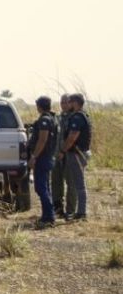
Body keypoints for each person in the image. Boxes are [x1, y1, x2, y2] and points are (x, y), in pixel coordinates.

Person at [58, 93, 92, 221]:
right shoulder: (83, 115)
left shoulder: (77, 117)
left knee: (79, 185)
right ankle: (80, 211)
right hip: (81, 153)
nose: (68, 104)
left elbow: (72, 137)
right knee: (79, 184)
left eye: (70, 102)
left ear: (76, 103)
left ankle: (81, 213)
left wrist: (62, 150)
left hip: (77, 153)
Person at [28, 96, 58, 228]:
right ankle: (48, 215)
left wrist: (34, 156)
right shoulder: (52, 118)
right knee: (45, 187)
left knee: (41, 188)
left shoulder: (45, 120)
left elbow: (42, 140)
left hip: (43, 157)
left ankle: (49, 217)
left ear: (39, 106)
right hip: (47, 157)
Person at [52, 94, 76, 219]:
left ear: (71, 103)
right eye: (62, 102)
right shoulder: (58, 117)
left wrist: (63, 151)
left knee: (71, 183)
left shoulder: (75, 117)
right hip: (56, 154)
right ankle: (57, 207)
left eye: (66, 102)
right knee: (56, 182)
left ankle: (71, 210)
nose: (64, 105)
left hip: (70, 155)